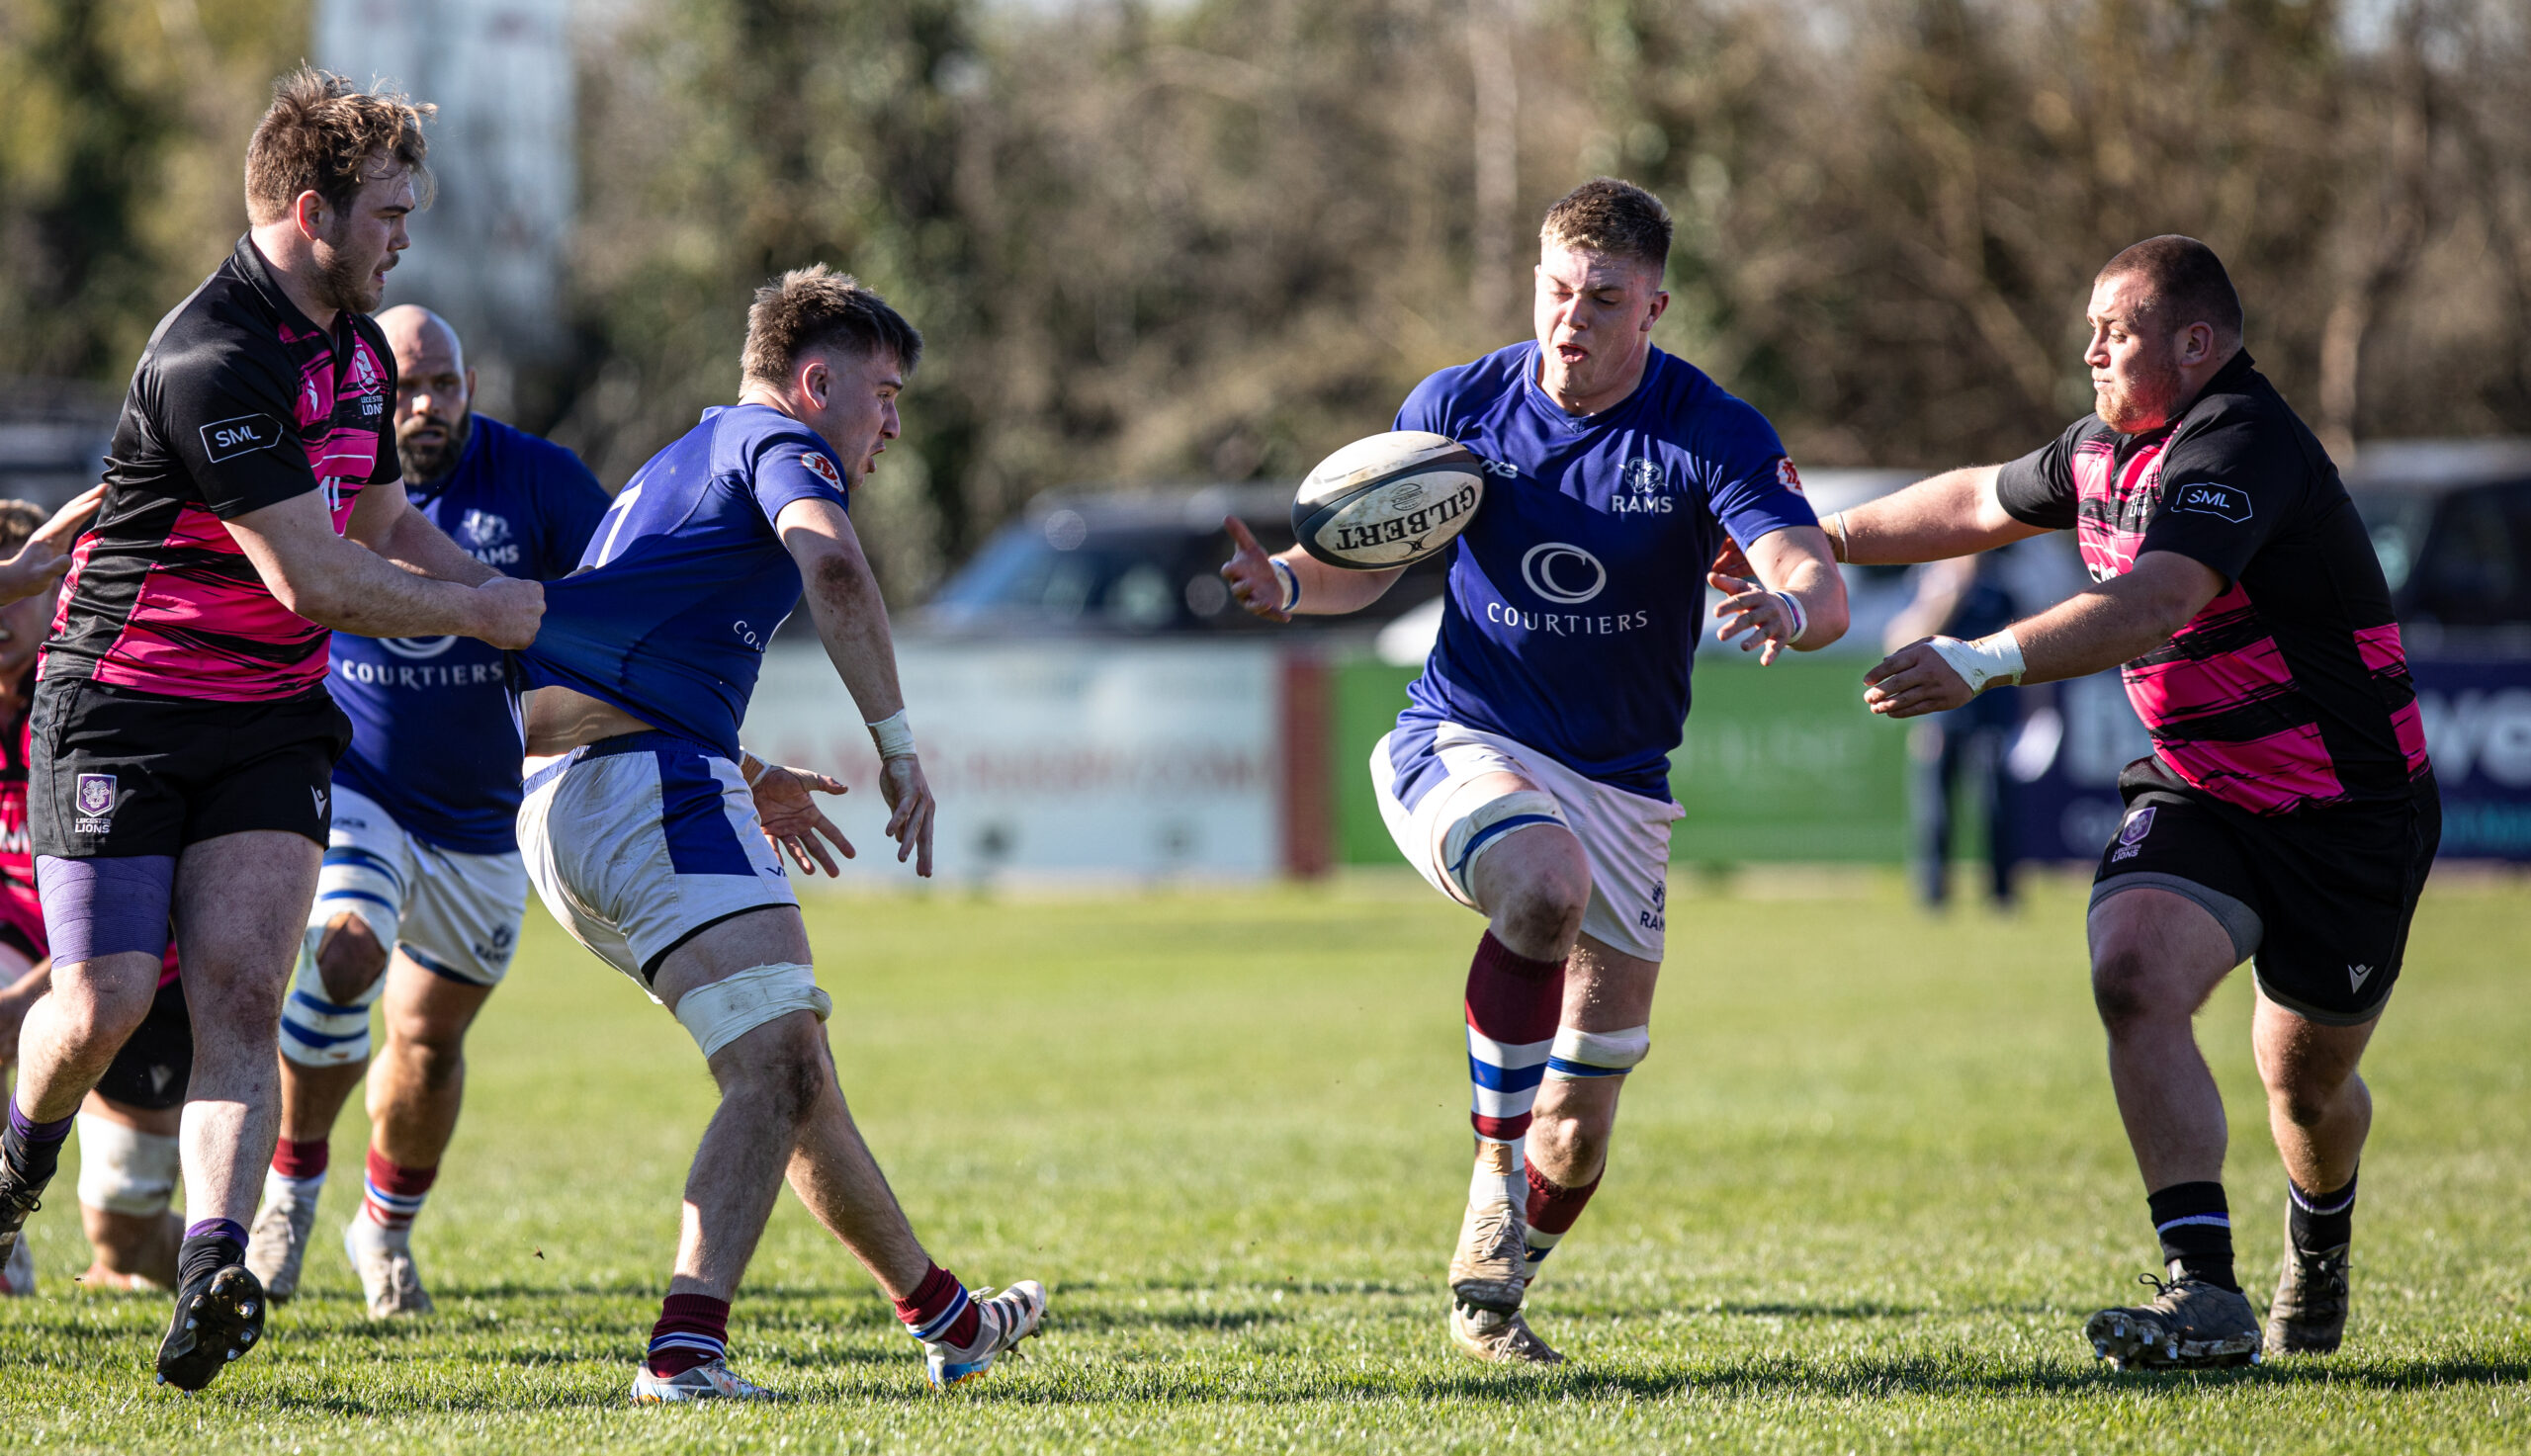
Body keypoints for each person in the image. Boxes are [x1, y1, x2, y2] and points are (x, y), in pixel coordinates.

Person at [1223, 178, 1848, 1363]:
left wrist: (1787, 605)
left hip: (1623, 788)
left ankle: (1490, 1302)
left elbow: (1812, 574)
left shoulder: (1705, 427)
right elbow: (1372, 557)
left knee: (1579, 1131)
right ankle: (1490, 1176)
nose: (1572, 318)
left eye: (1603, 299)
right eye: (1556, 290)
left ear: (1653, 306)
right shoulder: (1458, 406)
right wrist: (1292, 581)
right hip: (1464, 740)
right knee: (1544, 886)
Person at [0, 68, 544, 1393]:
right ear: (313, 212)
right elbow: (310, 576)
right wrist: (480, 615)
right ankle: (13, 1170)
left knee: (242, 992)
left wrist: (508, 601)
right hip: (119, 710)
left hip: (268, 725)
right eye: (388, 215)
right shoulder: (215, 355)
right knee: (104, 1002)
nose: (403, 238)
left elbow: (380, 527)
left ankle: (214, 1270)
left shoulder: (355, 353)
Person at [1833, 235, 2435, 1368]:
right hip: (2200, 789)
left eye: (2115, 331)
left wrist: (1980, 661)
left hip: (2345, 813)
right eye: (2091, 331)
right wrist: (1821, 540)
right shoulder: (2101, 447)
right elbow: (1972, 497)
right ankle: (2203, 1290)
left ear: (2195, 343)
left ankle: (2318, 1239)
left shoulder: (2241, 441)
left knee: (2304, 1087)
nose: (2090, 351)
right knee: (2132, 976)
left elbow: (2158, 599)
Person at [510, 265, 1042, 1403]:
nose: (891, 425)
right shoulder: (777, 443)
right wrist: (896, 744)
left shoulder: (680, 458)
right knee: (780, 1064)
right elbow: (833, 562)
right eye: (883, 396)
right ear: (815, 384)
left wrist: (746, 768)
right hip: (647, 789)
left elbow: (614, 665)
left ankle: (948, 1320)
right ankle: (682, 1354)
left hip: (576, 800)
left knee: (789, 1067)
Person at [243, 306, 609, 1317]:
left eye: (443, 384)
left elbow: (613, 599)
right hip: (357, 780)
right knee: (346, 952)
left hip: (483, 811)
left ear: (471, 386)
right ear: (370, 392)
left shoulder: (538, 479)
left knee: (428, 1040)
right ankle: (288, 1196)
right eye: (404, 388)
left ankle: (385, 1228)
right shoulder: (326, 471)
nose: (425, 405)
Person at [0, 495, 195, 1298]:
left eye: (21, 587)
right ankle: (8, 1250)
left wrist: (32, 998)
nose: (5, 608)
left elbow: (170, 892)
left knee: (124, 1231)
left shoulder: (98, 698)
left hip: (136, 970)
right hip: (21, 941)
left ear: (62, 587)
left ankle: (221, 1270)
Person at [1885, 552, 2022, 908]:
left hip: (1991, 716)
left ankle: (2001, 893)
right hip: (1942, 718)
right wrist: (1949, 595)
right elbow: (1899, 640)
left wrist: (2032, 712)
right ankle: (1933, 893)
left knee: (1995, 805)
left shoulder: (1999, 592)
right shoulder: (1929, 586)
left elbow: (2022, 650)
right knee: (1936, 809)